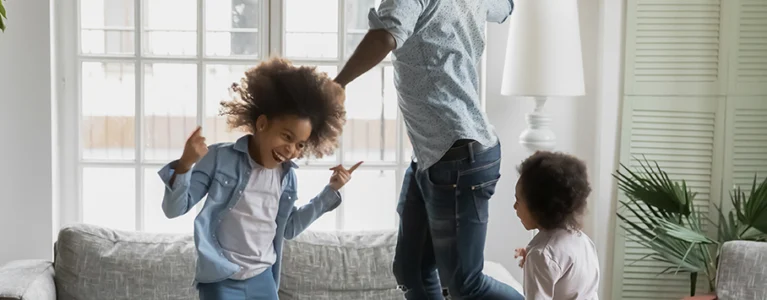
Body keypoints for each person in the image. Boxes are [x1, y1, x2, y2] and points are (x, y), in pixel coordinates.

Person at [334, 0, 520, 299]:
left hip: (459, 156)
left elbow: (385, 35)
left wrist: (338, 83)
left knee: (464, 286)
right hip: (432, 155)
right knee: (411, 270)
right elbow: (506, 7)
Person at [158, 57, 360, 300]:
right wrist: (185, 164)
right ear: (262, 123)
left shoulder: (287, 177)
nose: (291, 150)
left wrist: (330, 191)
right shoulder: (219, 158)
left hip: (263, 279)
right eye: (286, 136)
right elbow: (174, 209)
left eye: (300, 145)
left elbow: (290, 228)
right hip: (221, 279)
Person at [513, 151, 600, 300]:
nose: (515, 207)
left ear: (539, 207)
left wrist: (537, 259)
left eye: (518, 200)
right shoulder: (582, 240)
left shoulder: (541, 255)